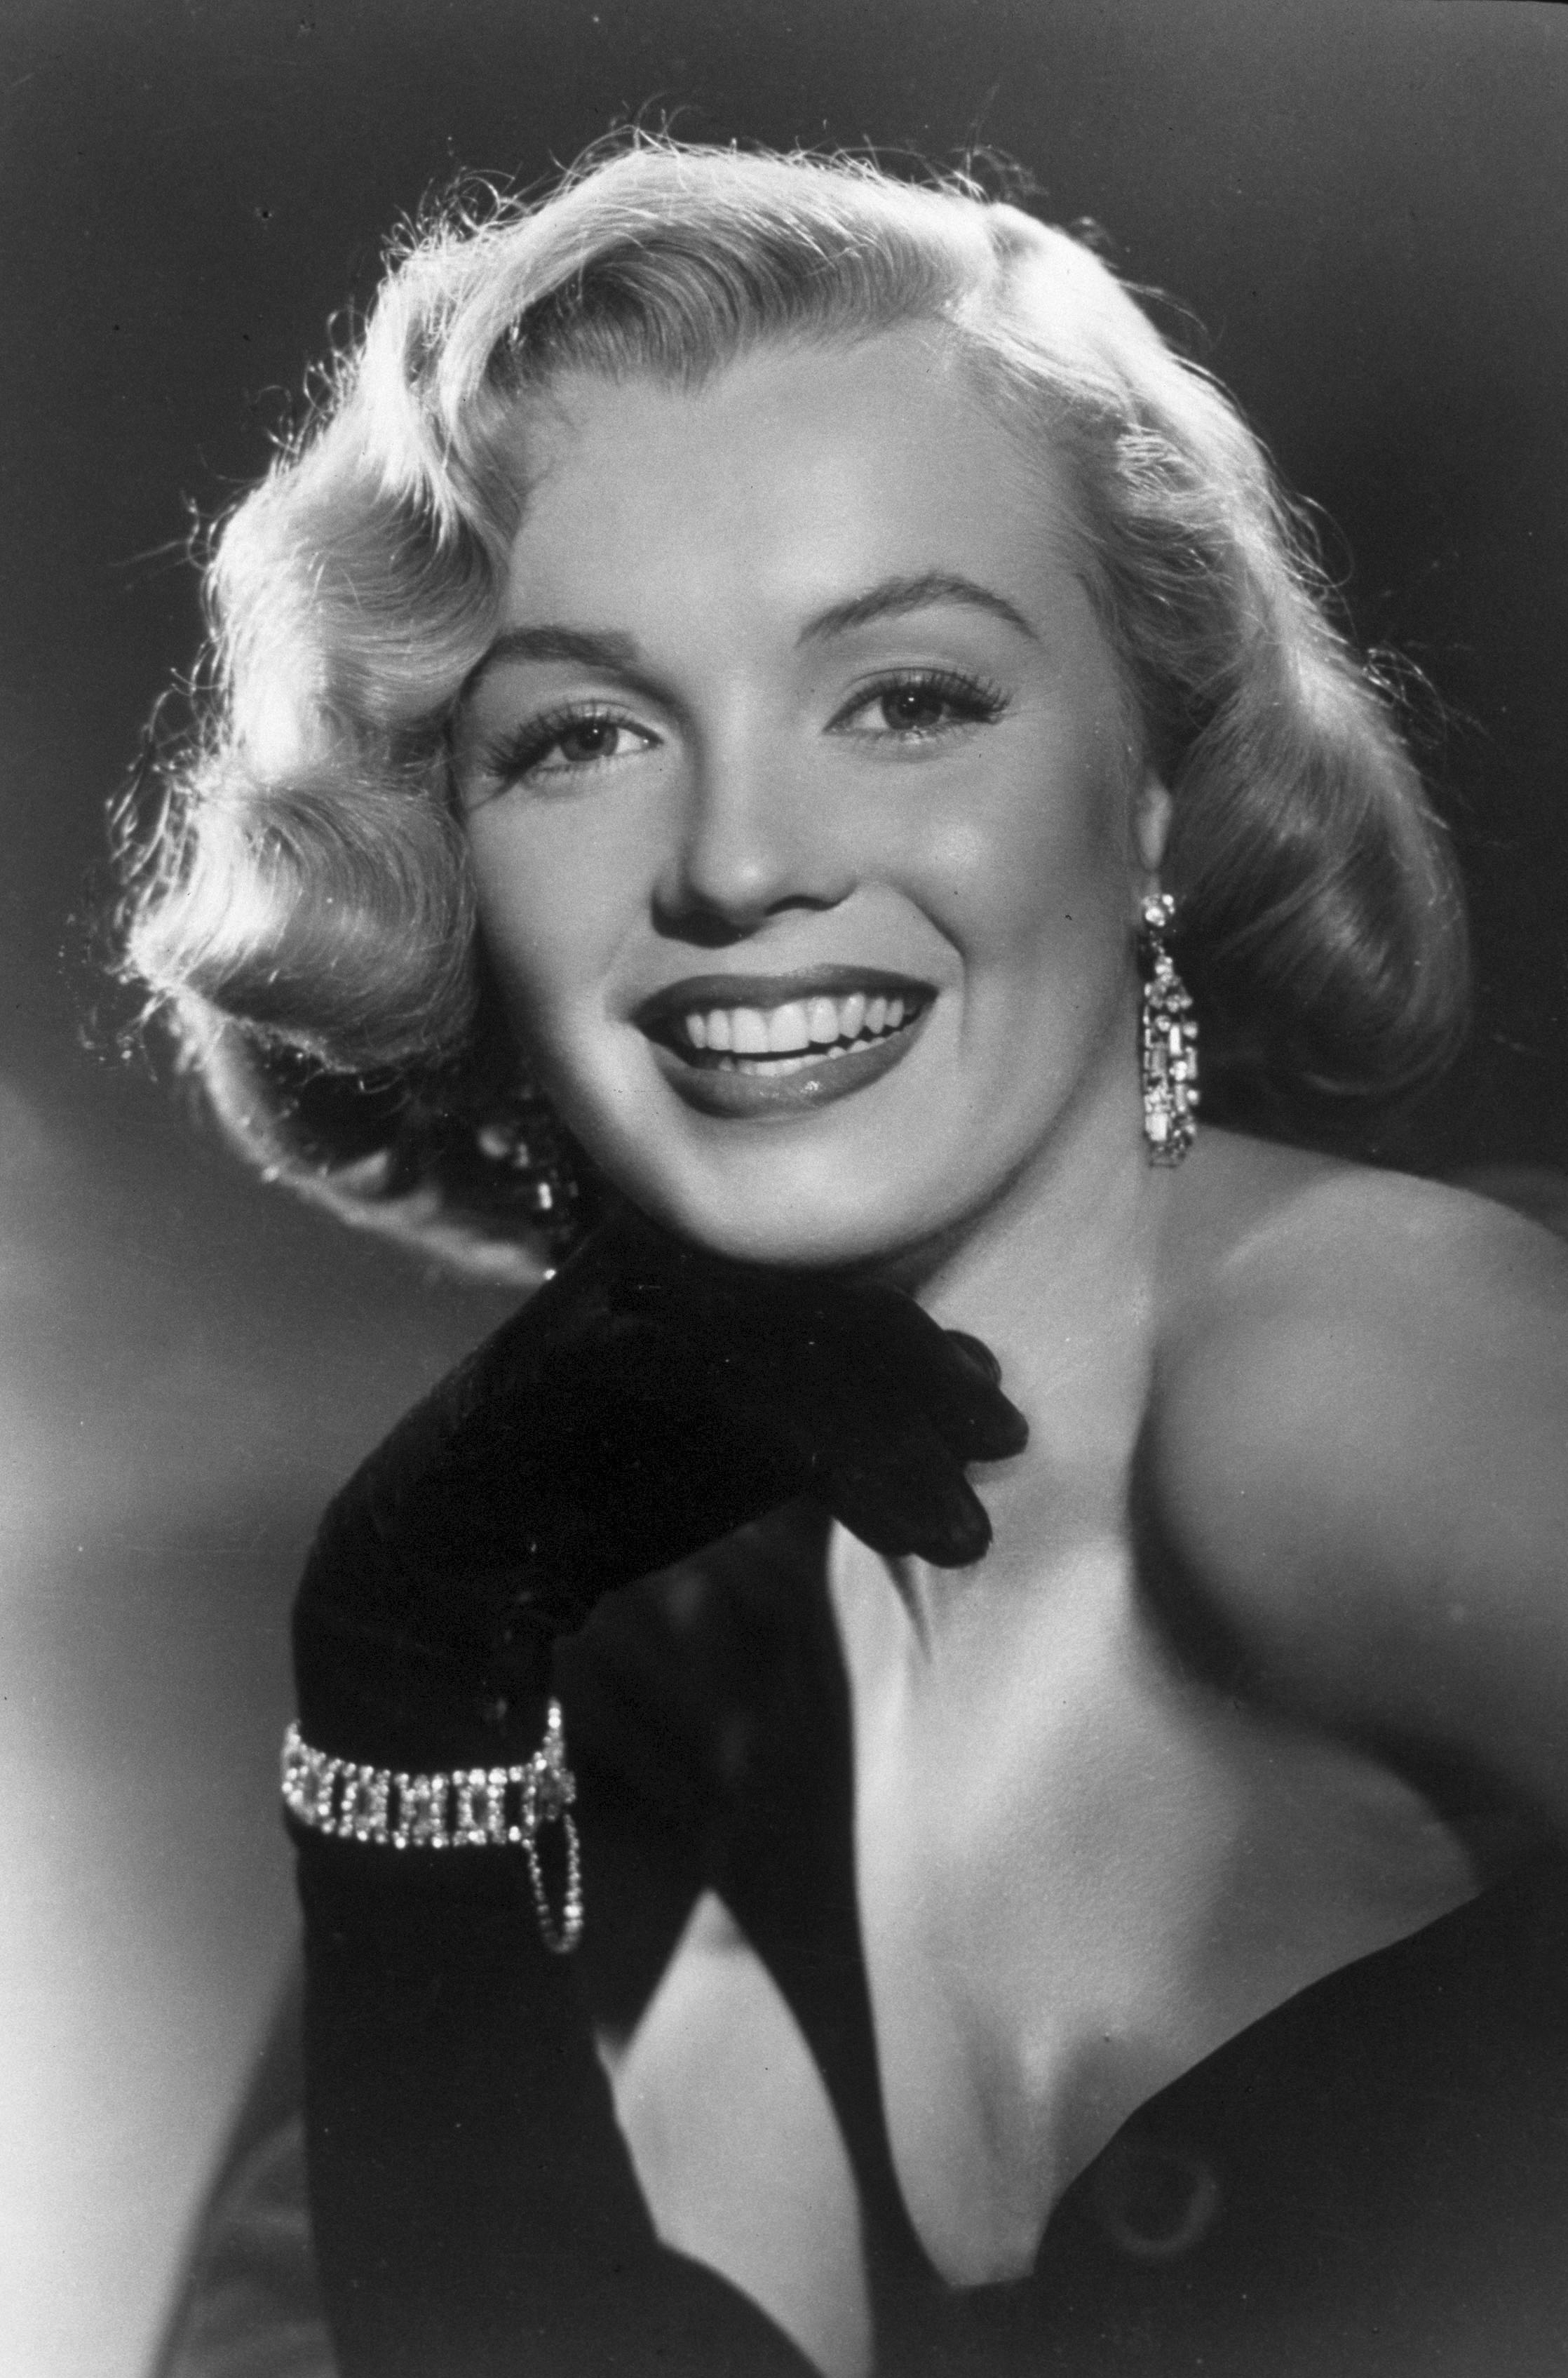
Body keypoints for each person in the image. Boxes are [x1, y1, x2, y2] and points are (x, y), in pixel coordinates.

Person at [129, 140, 1568, 2378]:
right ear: (447, 868)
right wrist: (400, 1647)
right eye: (582, 738)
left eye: (905, 698)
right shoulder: (770, 1685)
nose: (738, 861)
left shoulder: (1355, 1367)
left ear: (1155, 789)